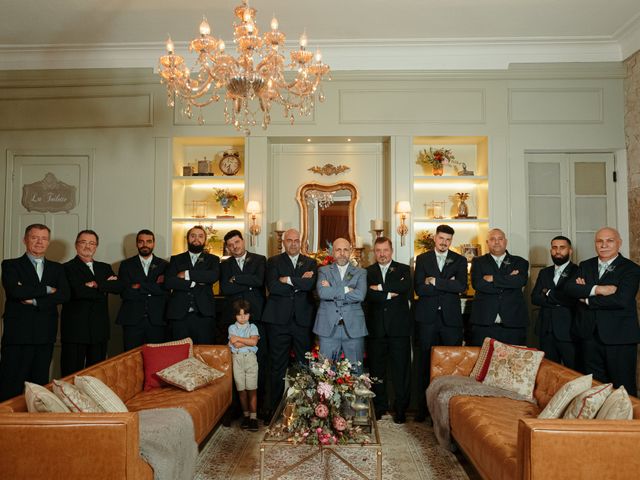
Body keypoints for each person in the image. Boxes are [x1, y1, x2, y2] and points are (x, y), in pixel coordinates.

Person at [564, 227, 640, 394]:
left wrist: (586, 297)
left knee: (622, 390)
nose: (604, 245)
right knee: (593, 389)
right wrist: (599, 289)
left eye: (609, 241)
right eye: (600, 241)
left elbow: (621, 300)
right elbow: (570, 288)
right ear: (595, 244)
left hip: (619, 338)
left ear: (619, 243)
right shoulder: (586, 265)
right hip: (588, 336)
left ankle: (627, 422)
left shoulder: (631, 269)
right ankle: (598, 421)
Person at [0, 224, 69, 401]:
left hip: (44, 334)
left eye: (44, 238)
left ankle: (35, 426)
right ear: (25, 240)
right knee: (10, 385)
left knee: (39, 388)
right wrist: (48, 289)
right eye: (34, 237)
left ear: (48, 242)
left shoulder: (57, 268)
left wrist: (34, 299)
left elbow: (64, 295)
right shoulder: (10, 265)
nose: (39, 242)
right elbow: (15, 292)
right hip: (17, 335)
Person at [413, 224, 467, 422]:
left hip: (451, 321)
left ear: (451, 241)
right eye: (441, 238)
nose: (444, 242)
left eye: (448, 240)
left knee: (450, 365)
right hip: (427, 319)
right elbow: (419, 288)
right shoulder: (423, 258)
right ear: (435, 238)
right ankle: (422, 410)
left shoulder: (459, 260)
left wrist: (435, 281)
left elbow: (461, 286)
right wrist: (448, 284)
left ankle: (448, 412)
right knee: (424, 363)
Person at [262, 228, 317, 416]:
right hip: (278, 321)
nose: (293, 243)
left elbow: (310, 285)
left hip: (302, 321)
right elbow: (274, 287)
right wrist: (298, 282)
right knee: (277, 365)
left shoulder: (310, 262)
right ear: (283, 242)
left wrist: (287, 280)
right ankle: (275, 409)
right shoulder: (273, 262)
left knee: (304, 365)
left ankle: (305, 409)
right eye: (289, 240)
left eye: (296, 240)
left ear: (300, 242)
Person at [60, 230, 122, 376]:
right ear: (76, 245)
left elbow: (119, 287)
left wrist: (94, 284)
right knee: (71, 375)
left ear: (96, 247)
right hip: (75, 331)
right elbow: (77, 292)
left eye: (92, 243)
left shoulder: (104, 267)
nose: (88, 246)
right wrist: (104, 285)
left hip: (99, 330)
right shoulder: (65, 268)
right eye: (83, 242)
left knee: (96, 377)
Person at [219, 230, 267, 416]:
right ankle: (239, 411)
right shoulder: (224, 264)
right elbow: (225, 288)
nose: (234, 247)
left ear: (243, 241)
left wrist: (237, 278)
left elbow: (258, 280)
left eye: (237, 242)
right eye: (230, 245)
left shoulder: (259, 259)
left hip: (256, 317)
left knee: (258, 362)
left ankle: (259, 410)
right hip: (233, 319)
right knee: (235, 362)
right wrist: (247, 283)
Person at [365, 237, 412, 424]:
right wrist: (389, 294)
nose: (382, 254)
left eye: (385, 250)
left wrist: (380, 289)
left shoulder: (403, 270)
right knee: (377, 372)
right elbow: (367, 294)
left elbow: (404, 287)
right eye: (378, 250)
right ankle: (379, 407)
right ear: (374, 252)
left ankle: (401, 409)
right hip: (376, 330)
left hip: (398, 330)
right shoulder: (367, 272)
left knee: (401, 372)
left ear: (391, 251)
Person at [469, 228, 529, 346]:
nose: (496, 242)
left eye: (500, 239)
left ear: (505, 241)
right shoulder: (478, 262)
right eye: (492, 239)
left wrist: (492, 279)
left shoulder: (520, 262)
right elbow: (478, 285)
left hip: (513, 323)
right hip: (484, 322)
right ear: (487, 243)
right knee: (483, 362)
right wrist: (508, 279)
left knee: (513, 363)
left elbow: (520, 281)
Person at [314, 238, 367, 367]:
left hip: (354, 328)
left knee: (356, 373)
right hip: (328, 328)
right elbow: (322, 293)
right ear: (333, 252)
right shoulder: (323, 271)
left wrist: (332, 290)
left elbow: (360, 295)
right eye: (338, 250)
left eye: (345, 250)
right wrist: (347, 289)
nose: (342, 253)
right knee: (325, 373)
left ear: (350, 252)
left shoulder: (361, 272)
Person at [165, 226, 220, 344]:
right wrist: (194, 283)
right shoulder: (176, 259)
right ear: (187, 239)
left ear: (205, 240)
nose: (196, 239)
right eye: (193, 236)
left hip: (204, 315)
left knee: (203, 354)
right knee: (179, 354)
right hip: (179, 315)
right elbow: (169, 282)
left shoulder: (213, 259)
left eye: (200, 236)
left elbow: (212, 277)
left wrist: (186, 274)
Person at [116, 229, 169, 351]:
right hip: (132, 320)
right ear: (136, 244)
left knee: (157, 359)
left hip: (158, 320)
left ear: (154, 243)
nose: (145, 245)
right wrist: (153, 287)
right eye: (141, 242)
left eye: (148, 241)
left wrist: (138, 286)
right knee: (131, 359)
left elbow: (164, 290)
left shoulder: (164, 265)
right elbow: (125, 293)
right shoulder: (126, 265)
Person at [530, 236, 578, 369]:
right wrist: (559, 300)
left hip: (568, 331)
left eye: (562, 248)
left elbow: (572, 299)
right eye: (554, 247)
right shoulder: (545, 272)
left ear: (570, 251)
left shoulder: (578, 271)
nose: (558, 251)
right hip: (545, 330)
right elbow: (534, 298)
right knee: (549, 371)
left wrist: (548, 293)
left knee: (572, 371)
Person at [228, 299, 260, 432]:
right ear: (235, 315)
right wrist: (248, 341)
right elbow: (235, 345)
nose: (243, 317)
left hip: (250, 360)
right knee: (242, 390)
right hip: (237, 360)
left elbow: (254, 343)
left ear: (249, 315)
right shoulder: (232, 328)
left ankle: (253, 418)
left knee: (252, 389)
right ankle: (246, 416)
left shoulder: (252, 327)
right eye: (240, 314)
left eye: (245, 314)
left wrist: (240, 340)